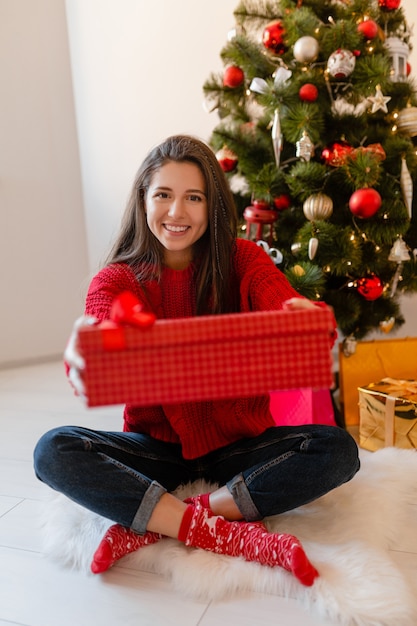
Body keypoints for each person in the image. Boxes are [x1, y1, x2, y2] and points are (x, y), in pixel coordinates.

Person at [33, 134, 359, 587]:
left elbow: (277, 296)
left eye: (194, 198)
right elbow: (99, 325)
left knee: (339, 450)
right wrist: (88, 347)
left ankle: (167, 520)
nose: (176, 213)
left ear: (212, 206)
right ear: (142, 200)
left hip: (241, 448)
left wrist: (295, 314)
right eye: (163, 195)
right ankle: (223, 532)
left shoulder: (243, 258)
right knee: (53, 451)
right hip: (158, 451)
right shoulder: (116, 279)